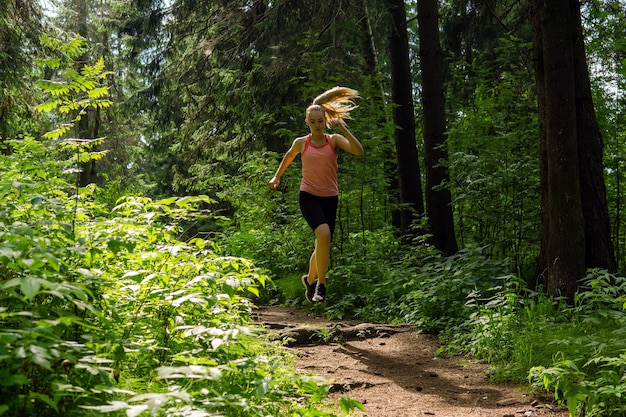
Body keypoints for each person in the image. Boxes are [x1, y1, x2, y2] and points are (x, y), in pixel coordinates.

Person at [269, 86, 364, 302]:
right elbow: (289, 156)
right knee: (323, 235)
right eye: (313, 122)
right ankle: (321, 285)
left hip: (330, 197)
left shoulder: (334, 141)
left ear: (326, 120)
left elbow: (359, 151)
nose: (317, 125)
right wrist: (277, 177)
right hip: (309, 196)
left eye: (321, 121)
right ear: (307, 123)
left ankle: (309, 280)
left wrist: (344, 129)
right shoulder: (302, 143)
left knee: (322, 244)